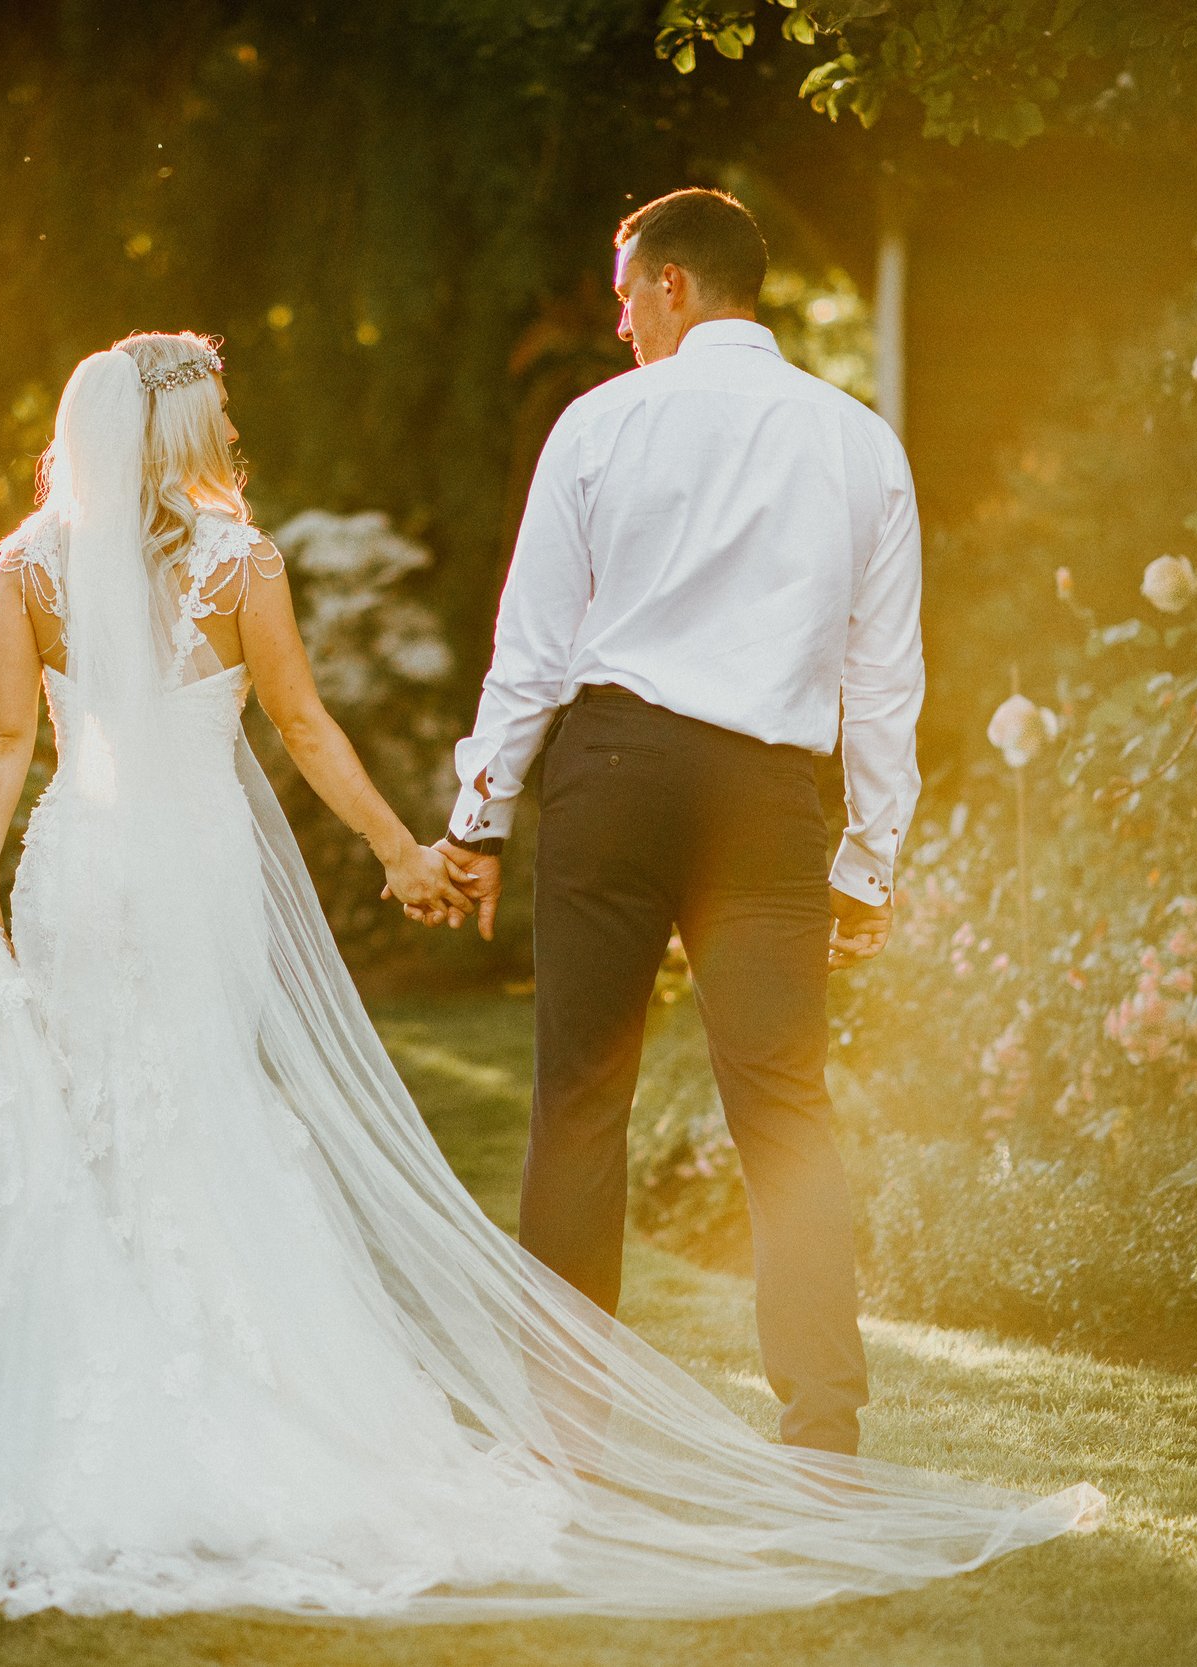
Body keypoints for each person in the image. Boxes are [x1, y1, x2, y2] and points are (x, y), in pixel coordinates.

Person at [0, 329, 1098, 1621]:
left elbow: (7, 739)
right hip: (193, 868)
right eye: (220, 411)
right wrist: (405, 849)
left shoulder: (24, 565)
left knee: (88, 1116)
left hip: (81, 862)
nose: (233, 429)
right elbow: (301, 726)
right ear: (182, 433)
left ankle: (71, 1397)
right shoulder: (239, 562)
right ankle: (766, 1426)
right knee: (203, 1104)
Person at [432, 187, 912, 1456]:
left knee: (580, 1095)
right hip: (765, 802)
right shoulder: (860, 441)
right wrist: (868, 859)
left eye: (625, 294)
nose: (617, 321)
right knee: (784, 1102)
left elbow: (530, 647)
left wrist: (476, 821)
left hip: (618, 774)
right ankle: (822, 1417)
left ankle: (562, 1416)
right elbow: (883, 674)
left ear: (675, 287)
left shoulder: (599, 425)